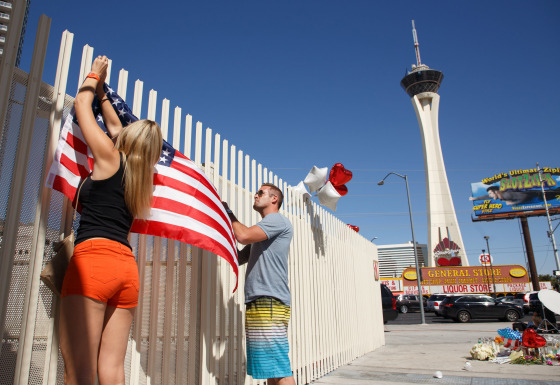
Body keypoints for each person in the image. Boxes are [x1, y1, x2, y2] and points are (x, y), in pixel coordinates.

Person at [59, 55, 162, 385]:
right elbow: (115, 126)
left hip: (94, 263)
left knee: (78, 369)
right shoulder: (141, 175)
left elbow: (80, 104)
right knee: (112, 369)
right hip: (125, 270)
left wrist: (94, 76)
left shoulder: (109, 157)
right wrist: (105, 94)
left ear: (129, 140)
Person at [222, 184, 295, 385]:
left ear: (274, 199)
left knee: (278, 367)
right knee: (270, 368)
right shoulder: (262, 231)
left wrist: (229, 214)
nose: (256, 195)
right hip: (261, 299)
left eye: (261, 193)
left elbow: (243, 235)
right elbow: (238, 257)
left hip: (269, 299)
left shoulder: (276, 220)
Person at [469, 186, 540, 206]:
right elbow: (485, 197)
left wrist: (513, 203)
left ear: (496, 192)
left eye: (490, 193)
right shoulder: (502, 196)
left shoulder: (506, 195)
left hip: (538, 197)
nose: (489, 195)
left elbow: (525, 197)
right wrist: (475, 198)